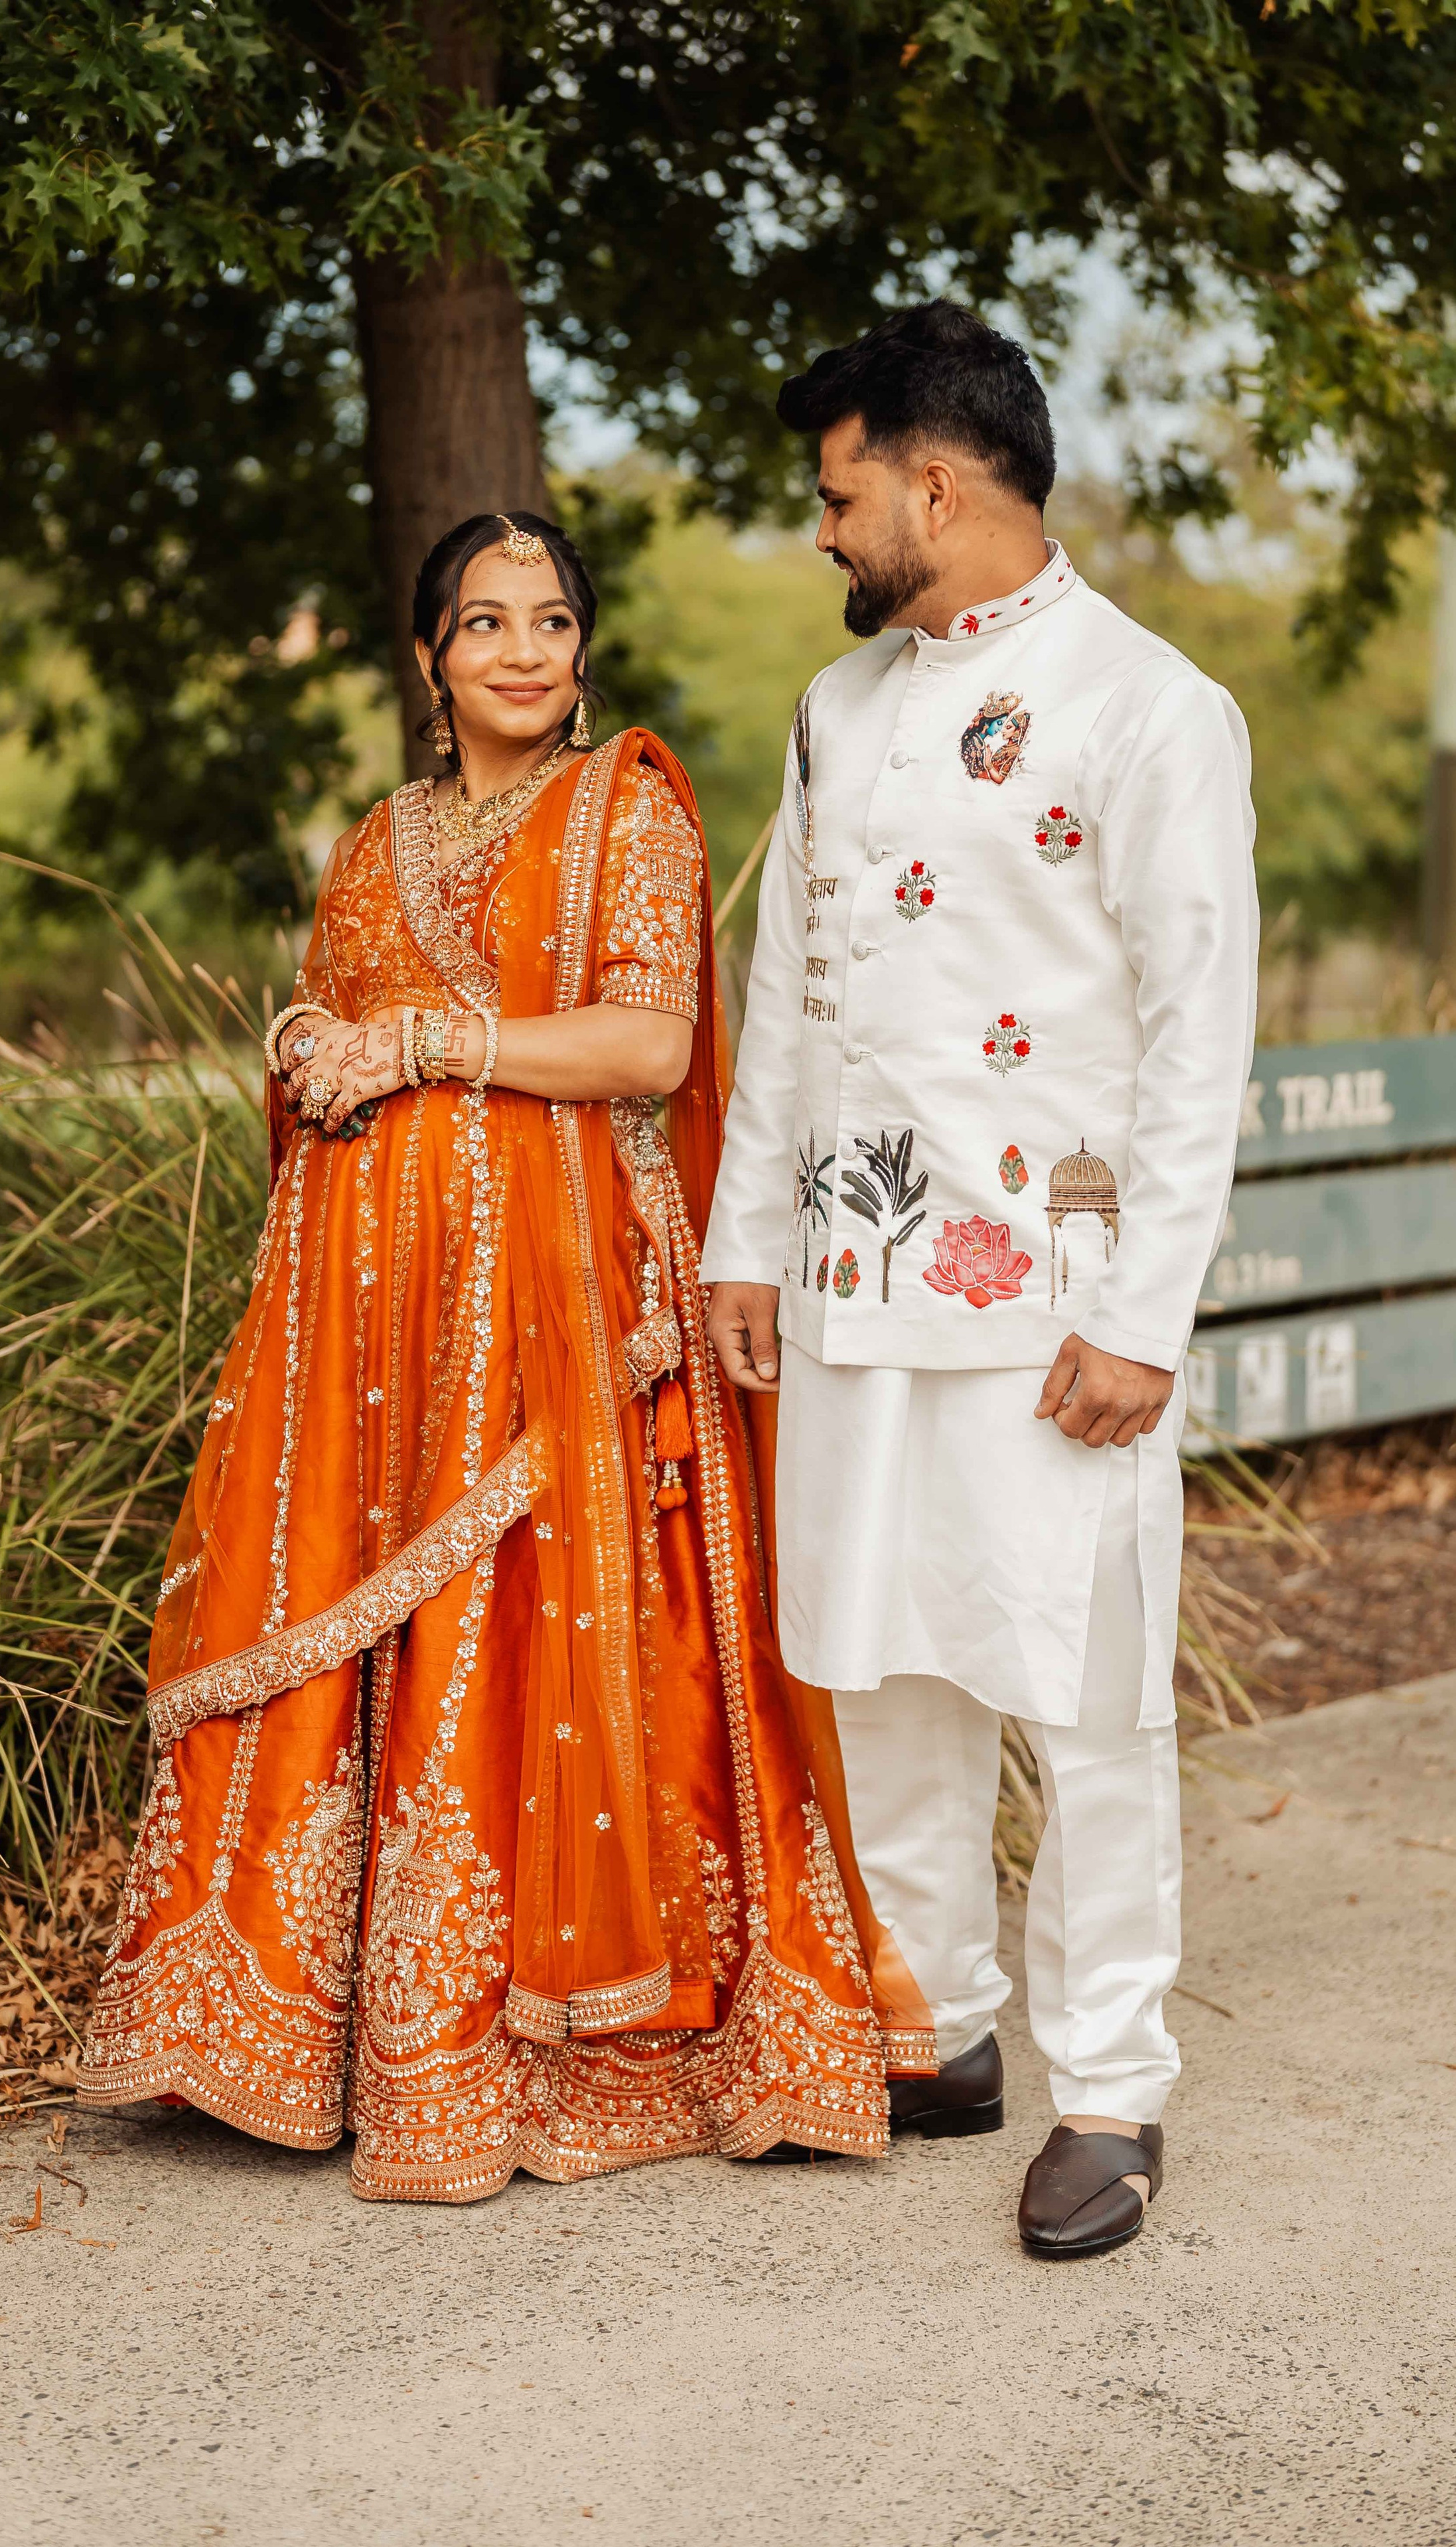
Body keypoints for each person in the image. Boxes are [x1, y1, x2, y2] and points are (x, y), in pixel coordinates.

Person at [81, 509, 934, 2201]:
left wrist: (417, 1040)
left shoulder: (626, 799)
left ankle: (546, 2056)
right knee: (377, 1628)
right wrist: (316, 1041)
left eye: (551, 618)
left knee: (539, 1635)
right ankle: (317, 2041)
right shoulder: (368, 840)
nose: (524, 648)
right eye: (486, 621)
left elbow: (648, 1039)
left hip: (575, 1317)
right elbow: (333, 1037)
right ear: (428, 656)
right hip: (382, 1328)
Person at [701, 303, 1259, 2258]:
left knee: (1083, 1693)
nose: (826, 532)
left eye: (841, 494)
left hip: (1056, 1300)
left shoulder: (1146, 707)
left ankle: (1111, 2084)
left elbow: (1203, 1034)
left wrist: (1144, 1315)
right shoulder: (837, 712)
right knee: (884, 1661)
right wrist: (745, 1241)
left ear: (937, 484)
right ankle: (938, 2027)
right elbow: (787, 993)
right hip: (854, 1281)